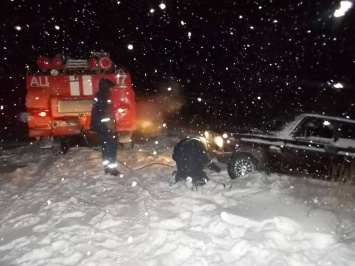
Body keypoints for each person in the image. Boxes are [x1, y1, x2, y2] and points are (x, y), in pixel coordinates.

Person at [90, 77, 119, 176]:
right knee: (110, 147)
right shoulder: (104, 95)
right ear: (106, 87)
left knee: (106, 146)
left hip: (101, 126)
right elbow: (104, 114)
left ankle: (107, 167)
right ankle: (112, 170)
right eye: (110, 87)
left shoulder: (101, 94)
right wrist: (109, 126)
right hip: (105, 126)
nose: (111, 89)